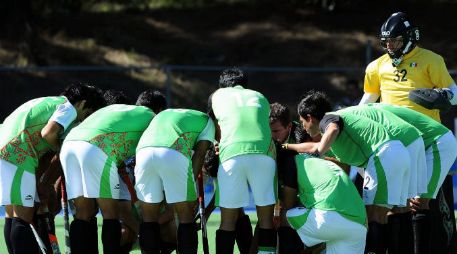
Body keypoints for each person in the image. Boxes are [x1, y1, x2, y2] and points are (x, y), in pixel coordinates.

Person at [360, 11, 457, 253]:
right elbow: (367, 101)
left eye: (395, 41)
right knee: (395, 205)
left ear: (410, 38)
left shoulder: (432, 60)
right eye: (386, 42)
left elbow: (454, 93)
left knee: (419, 202)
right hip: (394, 142)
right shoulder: (376, 66)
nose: (390, 46)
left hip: (427, 140)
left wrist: (443, 96)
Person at [285, 90, 412, 254]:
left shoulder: (328, 118)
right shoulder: (338, 135)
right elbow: (322, 150)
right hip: (396, 153)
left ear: (310, 117)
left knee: (372, 215)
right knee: (397, 210)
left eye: (302, 122)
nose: (303, 127)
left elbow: (332, 130)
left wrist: (318, 153)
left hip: (383, 155)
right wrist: (289, 147)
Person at [0, 83, 105, 254]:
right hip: (18, 153)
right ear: (82, 103)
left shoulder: (50, 102)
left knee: (12, 214)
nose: (81, 121)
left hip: (6, 149)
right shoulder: (68, 108)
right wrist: (61, 149)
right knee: (23, 218)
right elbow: (48, 133)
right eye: (86, 114)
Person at [59, 89, 166, 254]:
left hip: (69, 145)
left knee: (83, 212)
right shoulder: (152, 117)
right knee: (110, 213)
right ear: (159, 111)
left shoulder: (117, 111)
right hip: (96, 148)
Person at [208, 67, 277, 254]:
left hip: (231, 156)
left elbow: (214, 128)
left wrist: (216, 144)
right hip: (264, 156)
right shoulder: (260, 96)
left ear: (222, 85)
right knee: (266, 220)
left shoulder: (217, 95)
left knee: (227, 221)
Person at [134, 108, 215, 254]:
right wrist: (190, 184)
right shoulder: (209, 122)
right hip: (173, 150)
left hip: (143, 152)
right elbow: (201, 153)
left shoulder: (170, 114)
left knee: (148, 218)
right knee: (186, 216)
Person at [286, 153, 367, 254]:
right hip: (360, 224)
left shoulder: (293, 161)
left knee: (287, 214)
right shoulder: (328, 163)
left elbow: (287, 204)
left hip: (329, 219)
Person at [269, 102, 305, 253]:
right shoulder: (266, 137)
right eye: (269, 131)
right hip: (282, 188)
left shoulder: (303, 135)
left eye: (276, 131)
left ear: (289, 126)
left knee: (287, 218)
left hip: (304, 192)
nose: (272, 136)